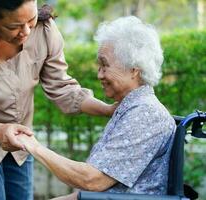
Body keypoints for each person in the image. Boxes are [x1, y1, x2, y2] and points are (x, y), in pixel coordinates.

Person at [0, 0, 116, 200]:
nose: (27, 32)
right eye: (13, 26)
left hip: (20, 144)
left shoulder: (45, 30)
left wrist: (108, 109)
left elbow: (62, 87)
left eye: (31, 20)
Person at [18, 16, 176, 199]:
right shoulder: (131, 108)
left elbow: (92, 181)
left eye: (104, 65)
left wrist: (34, 146)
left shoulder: (146, 114)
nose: (99, 74)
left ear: (134, 69)